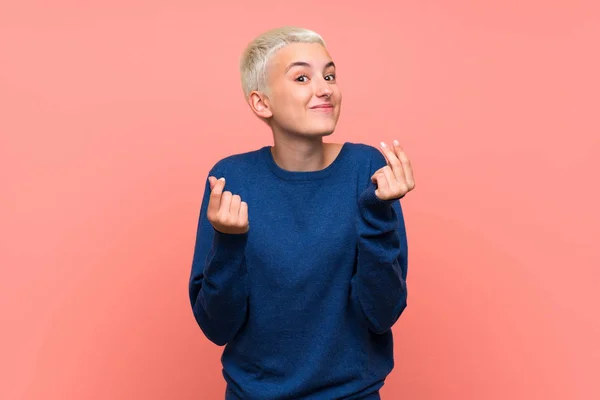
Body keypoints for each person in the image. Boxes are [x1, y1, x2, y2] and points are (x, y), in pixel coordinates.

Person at [188, 26, 416, 399]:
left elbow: (383, 313)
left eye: (329, 75)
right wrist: (228, 245)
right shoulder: (231, 179)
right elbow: (217, 327)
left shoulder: (367, 169)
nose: (324, 88)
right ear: (262, 103)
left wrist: (377, 214)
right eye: (302, 77)